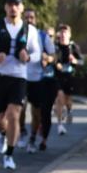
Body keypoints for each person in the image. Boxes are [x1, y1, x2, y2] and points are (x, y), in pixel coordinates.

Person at [0, 0, 40, 170]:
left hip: (19, 76)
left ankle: (9, 155)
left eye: (16, 5)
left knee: (13, 115)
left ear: (21, 8)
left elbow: (37, 54)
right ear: (5, 7)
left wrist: (27, 57)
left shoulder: (30, 30)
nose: (13, 8)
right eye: (10, 5)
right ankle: (3, 134)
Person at [21, 10, 56, 153]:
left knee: (36, 112)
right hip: (21, 77)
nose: (29, 19)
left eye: (32, 17)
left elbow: (54, 55)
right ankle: (22, 131)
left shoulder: (42, 36)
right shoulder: (17, 34)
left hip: (37, 79)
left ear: (35, 20)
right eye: (27, 17)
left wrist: (48, 59)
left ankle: (32, 138)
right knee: (19, 108)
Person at [54, 24, 84, 134]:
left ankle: (70, 110)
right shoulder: (55, 47)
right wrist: (55, 64)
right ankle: (59, 125)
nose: (63, 34)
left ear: (69, 35)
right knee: (60, 98)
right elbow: (52, 59)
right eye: (61, 32)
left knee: (68, 99)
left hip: (70, 76)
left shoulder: (73, 47)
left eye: (65, 32)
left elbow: (82, 61)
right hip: (58, 76)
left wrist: (75, 61)